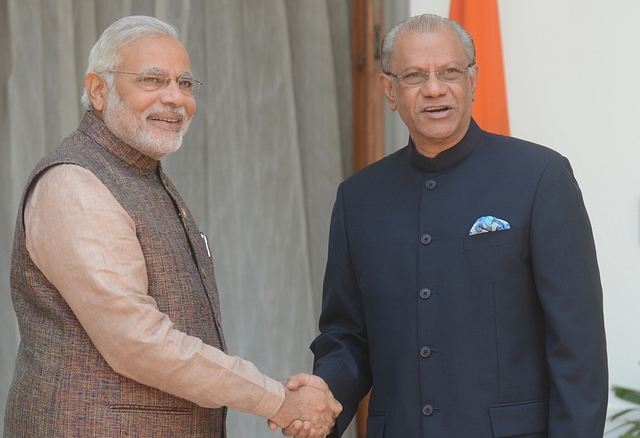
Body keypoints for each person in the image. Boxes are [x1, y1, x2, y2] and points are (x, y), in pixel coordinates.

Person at [3, 15, 340, 438]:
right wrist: (280, 399)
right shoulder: (75, 184)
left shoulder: (140, 172)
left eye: (185, 83)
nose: (175, 98)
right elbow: (138, 341)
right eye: (152, 80)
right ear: (98, 90)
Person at [309, 13, 608, 438]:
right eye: (414, 75)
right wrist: (321, 398)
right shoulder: (358, 198)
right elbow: (347, 335)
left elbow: (577, 347)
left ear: (472, 80)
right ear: (388, 90)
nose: (434, 88)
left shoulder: (540, 177)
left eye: (449, 71)